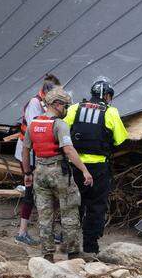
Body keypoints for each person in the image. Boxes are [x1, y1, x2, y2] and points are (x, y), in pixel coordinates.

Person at [20, 87, 93, 262]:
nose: (66, 109)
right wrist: (84, 170)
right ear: (57, 104)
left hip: (39, 173)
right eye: (65, 105)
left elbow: (25, 150)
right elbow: (68, 150)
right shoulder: (60, 125)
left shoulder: (33, 124)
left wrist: (27, 172)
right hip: (59, 173)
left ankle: (47, 255)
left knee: (45, 216)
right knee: (69, 213)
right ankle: (73, 254)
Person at [65, 76, 127, 258]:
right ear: (107, 96)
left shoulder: (75, 108)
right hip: (98, 168)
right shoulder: (111, 112)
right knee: (96, 206)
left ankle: (72, 248)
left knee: (75, 206)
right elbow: (120, 138)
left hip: (75, 166)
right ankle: (91, 247)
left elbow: (63, 132)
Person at [14, 74, 61, 245]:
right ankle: (22, 232)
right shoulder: (34, 104)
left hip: (39, 154)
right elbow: (35, 132)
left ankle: (47, 231)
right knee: (30, 193)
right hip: (29, 154)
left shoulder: (45, 104)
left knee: (48, 193)